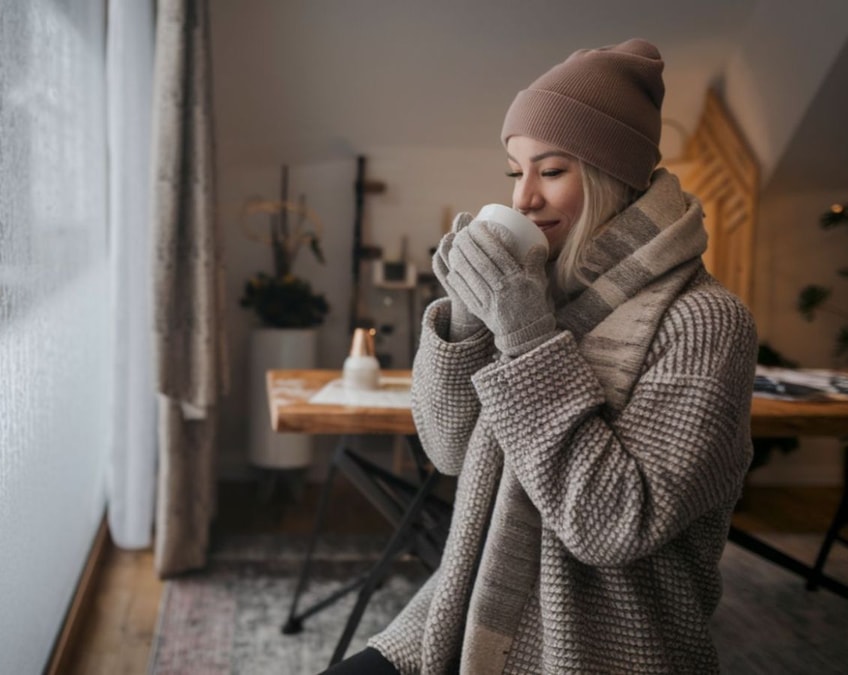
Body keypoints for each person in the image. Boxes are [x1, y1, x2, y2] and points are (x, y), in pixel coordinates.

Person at [323, 39, 757, 674]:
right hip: (467, 607)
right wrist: (469, 315)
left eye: (551, 172)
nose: (523, 198)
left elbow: (615, 525)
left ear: (614, 177)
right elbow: (447, 449)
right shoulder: (535, 287)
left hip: (596, 648)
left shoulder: (705, 320)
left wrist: (526, 334)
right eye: (514, 173)